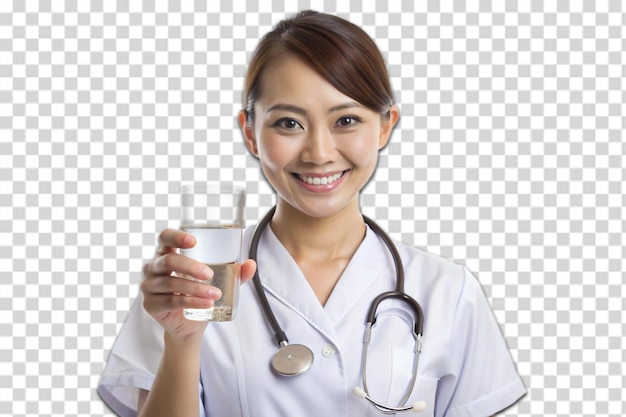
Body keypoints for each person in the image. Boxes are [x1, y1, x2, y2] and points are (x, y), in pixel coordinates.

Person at [98, 10, 526, 417]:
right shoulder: (194, 284)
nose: (319, 153)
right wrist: (182, 341)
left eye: (346, 121)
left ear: (385, 125)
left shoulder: (447, 291)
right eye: (288, 123)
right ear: (250, 132)